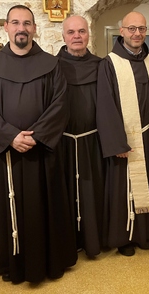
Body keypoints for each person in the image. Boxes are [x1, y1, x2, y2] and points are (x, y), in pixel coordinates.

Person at [0, 5, 77, 284]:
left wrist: (36, 136)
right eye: (16, 23)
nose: (22, 28)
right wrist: (10, 136)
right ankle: (12, 263)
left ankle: (47, 262)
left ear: (34, 28)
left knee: (44, 206)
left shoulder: (51, 64)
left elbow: (60, 105)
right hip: (6, 154)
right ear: (6, 27)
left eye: (27, 23)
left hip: (41, 151)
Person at [96, 11, 149, 256]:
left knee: (148, 183)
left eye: (142, 29)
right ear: (121, 31)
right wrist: (116, 143)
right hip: (124, 140)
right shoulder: (109, 63)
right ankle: (125, 237)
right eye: (132, 29)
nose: (137, 33)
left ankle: (145, 234)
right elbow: (105, 105)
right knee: (124, 188)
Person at [57, 15, 106, 258]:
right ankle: (68, 242)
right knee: (63, 193)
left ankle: (93, 241)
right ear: (63, 36)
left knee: (93, 191)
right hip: (62, 142)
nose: (77, 36)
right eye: (72, 32)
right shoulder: (51, 65)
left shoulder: (101, 65)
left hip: (93, 141)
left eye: (82, 31)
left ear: (89, 35)